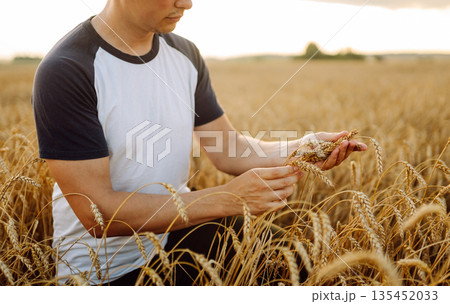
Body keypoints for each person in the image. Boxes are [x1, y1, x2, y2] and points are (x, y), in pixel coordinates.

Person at [32, 0, 367, 285]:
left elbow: (228, 149)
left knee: (297, 263)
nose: (187, 3)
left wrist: (304, 149)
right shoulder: (68, 70)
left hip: (176, 234)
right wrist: (227, 198)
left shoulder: (184, 54)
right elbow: (99, 215)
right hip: (103, 271)